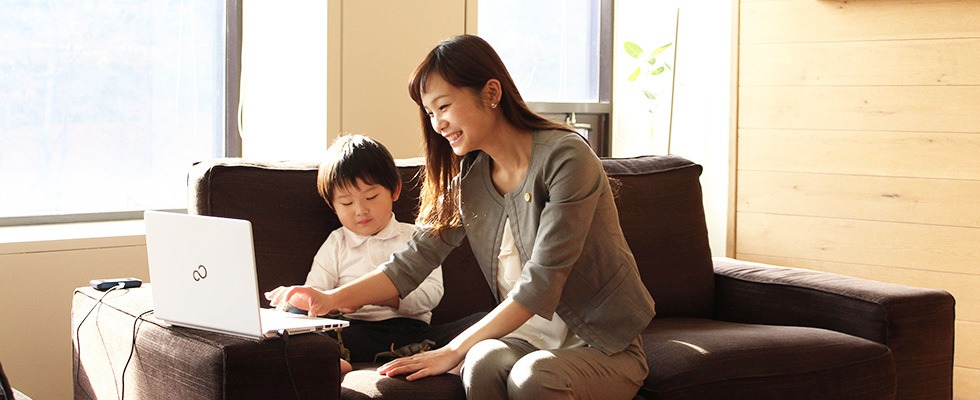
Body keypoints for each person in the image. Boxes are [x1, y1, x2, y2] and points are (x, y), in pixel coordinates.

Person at [267, 34, 656, 399]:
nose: (437, 124)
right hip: (524, 337)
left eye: (444, 106)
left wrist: (452, 349)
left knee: (534, 375)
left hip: (603, 343)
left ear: (491, 93)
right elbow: (411, 263)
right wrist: (330, 298)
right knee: (481, 364)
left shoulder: (566, 157)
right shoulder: (471, 179)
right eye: (430, 112)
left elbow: (542, 281)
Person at [290, 134, 484, 374]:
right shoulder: (336, 243)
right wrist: (322, 304)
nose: (360, 210)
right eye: (347, 203)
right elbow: (316, 297)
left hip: (412, 333)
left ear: (394, 190)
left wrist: (377, 294)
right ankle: (331, 360)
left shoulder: (416, 237)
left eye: (371, 197)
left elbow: (431, 295)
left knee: (483, 322)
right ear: (333, 206)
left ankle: (445, 359)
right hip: (354, 333)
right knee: (297, 314)